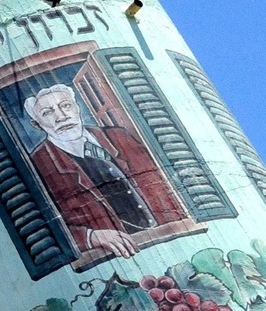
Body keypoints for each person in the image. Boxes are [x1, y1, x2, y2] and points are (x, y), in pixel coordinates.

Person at [21, 83, 183, 261]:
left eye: (66, 106)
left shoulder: (120, 137)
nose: (61, 117)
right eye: (47, 113)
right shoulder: (37, 164)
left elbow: (166, 185)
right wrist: (90, 237)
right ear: (36, 124)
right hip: (112, 257)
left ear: (77, 108)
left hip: (170, 241)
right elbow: (36, 228)